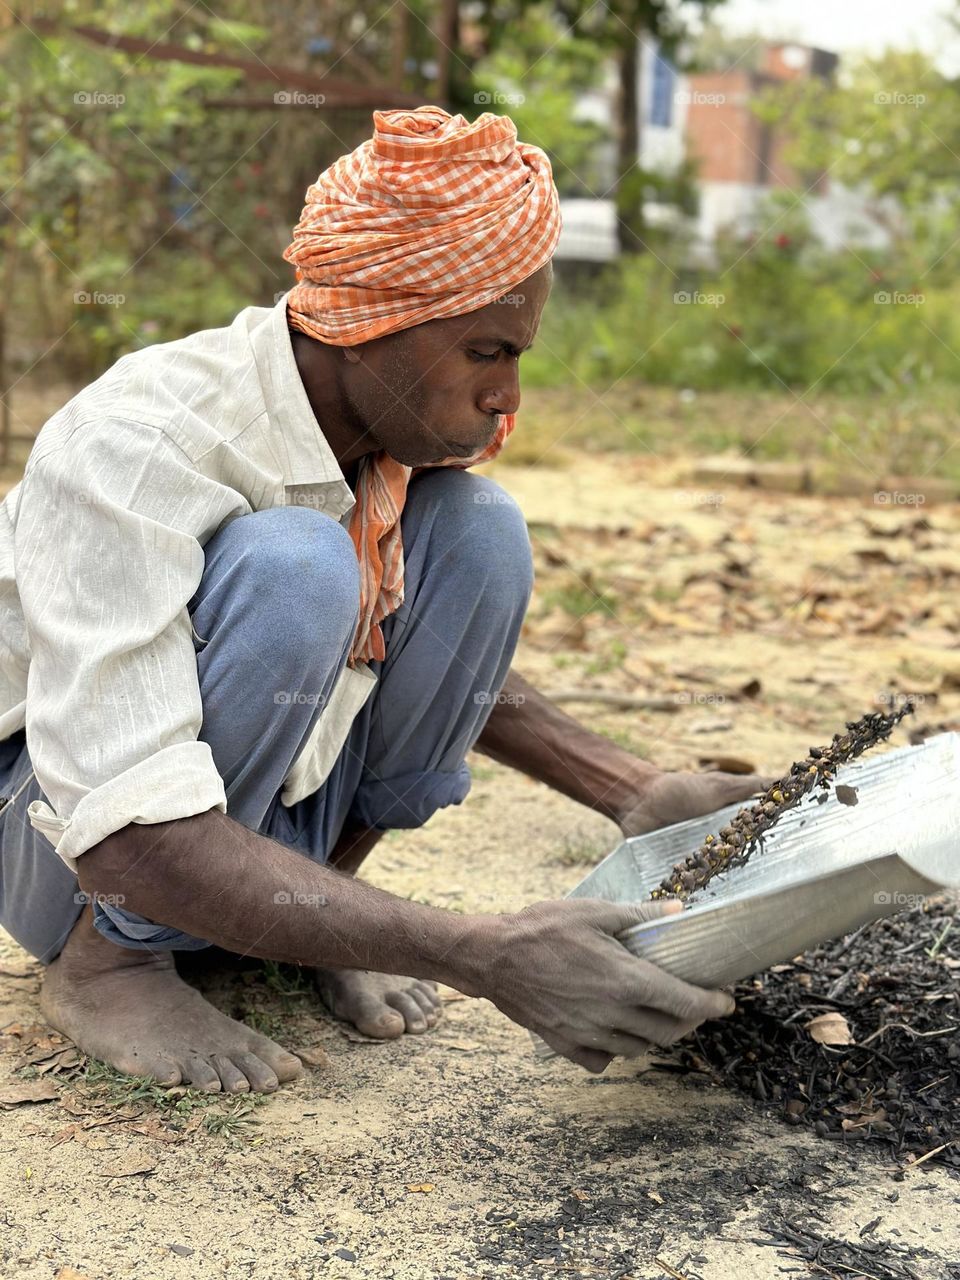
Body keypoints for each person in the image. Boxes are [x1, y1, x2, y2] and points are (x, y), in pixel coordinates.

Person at [0, 107, 761, 1094]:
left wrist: (634, 790)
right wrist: (481, 950)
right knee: (298, 566)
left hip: (237, 821)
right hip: (75, 842)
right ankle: (112, 961)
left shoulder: (379, 450)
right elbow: (130, 829)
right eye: (487, 352)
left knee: (478, 532)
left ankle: (318, 915)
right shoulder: (137, 445)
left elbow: (419, 641)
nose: (508, 397)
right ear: (371, 330)